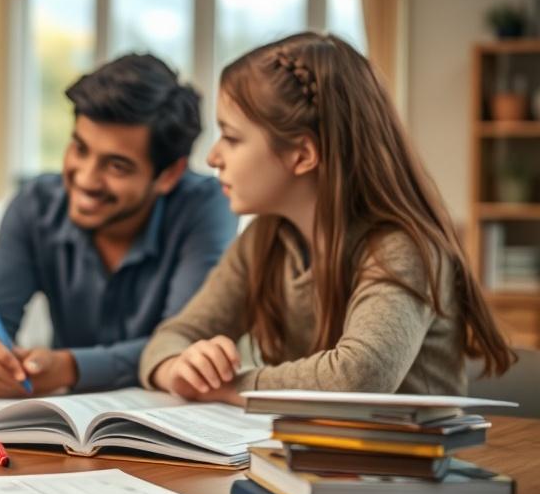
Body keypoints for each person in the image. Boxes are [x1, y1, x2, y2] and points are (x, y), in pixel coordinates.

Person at [140, 32, 514, 402]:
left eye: (231, 138)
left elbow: (359, 377)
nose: (212, 158)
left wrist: (227, 387)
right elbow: (170, 338)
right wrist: (180, 368)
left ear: (302, 155)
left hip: (408, 459)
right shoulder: (264, 238)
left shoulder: (402, 247)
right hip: (309, 455)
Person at [0, 54, 237, 396]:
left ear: (169, 174)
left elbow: (182, 343)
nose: (85, 179)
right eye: (79, 149)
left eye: (116, 166)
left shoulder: (206, 208)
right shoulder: (35, 204)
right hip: (62, 426)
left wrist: (70, 367)